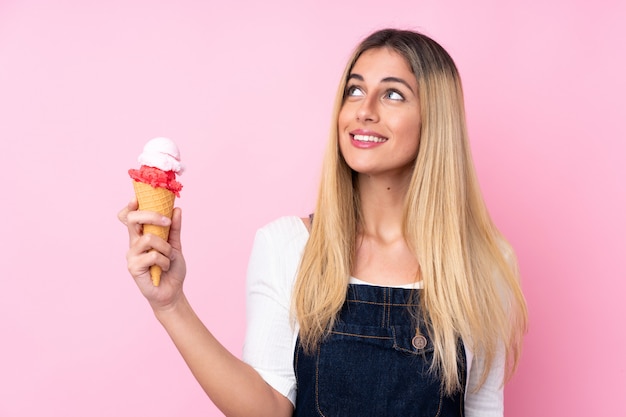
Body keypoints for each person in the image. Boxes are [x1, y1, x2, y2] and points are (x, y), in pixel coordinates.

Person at [119, 28, 528, 417]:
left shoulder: (485, 262)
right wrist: (171, 305)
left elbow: (482, 410)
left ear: (434, 120)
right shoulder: (286, 245)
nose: (364, 111)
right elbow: (268, 409)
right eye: (355, 90)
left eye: (392, 94)